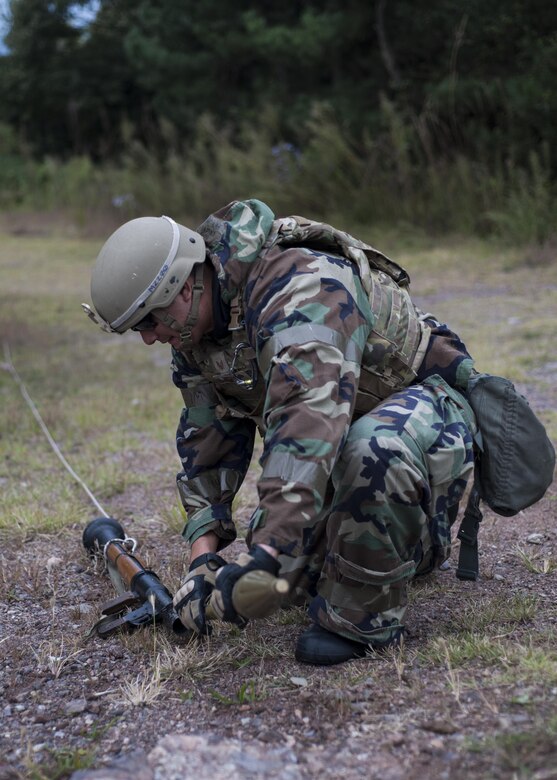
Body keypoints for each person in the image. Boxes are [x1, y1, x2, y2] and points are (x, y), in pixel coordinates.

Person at [84, 199, 477, 665]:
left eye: (149, 321)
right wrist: (202, 559)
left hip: (422, 423)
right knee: (281, 580)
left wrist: (269, 551)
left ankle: (364, 624)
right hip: (339, 436)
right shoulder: (194, 329)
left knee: (370, 454)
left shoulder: (300, 288)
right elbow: (206, 441)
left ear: (183, 286)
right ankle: (375, 549)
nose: (149, 337)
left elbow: (305, 423)